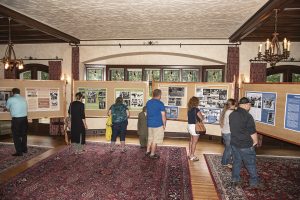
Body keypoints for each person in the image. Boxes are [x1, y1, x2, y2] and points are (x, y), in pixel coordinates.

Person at [229, 97, 263, 189]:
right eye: (249, 104)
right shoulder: (248, 116)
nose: (250, 106)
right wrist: (255, 141)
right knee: (250, 163)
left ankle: (235, 179)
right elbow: (252, 131)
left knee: (236, 161)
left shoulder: (232, 114)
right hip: (245, 144)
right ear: (245, 105)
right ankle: (254, 182)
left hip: (234, 143)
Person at [5, 88, 28, 156]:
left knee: (16, 135)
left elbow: (7, 108)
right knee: (24, 134)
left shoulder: (11, 99)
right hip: (24, 118)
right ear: (19, 92)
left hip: (16, 120)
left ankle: (19, 152)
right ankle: (24, 149)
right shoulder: (23, 98)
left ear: (13, 93)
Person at [146, 89, 166, 159]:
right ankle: (152, 154)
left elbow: (147, 113)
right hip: (157, 124)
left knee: (150, 138)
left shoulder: (148, 102)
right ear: (159, 95)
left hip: (149, 123)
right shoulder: (160, 104)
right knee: (155, 139)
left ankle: (147, 151)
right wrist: (164, 124)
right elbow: (163, 115)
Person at [219, 98, 236, 168]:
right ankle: (225, 162)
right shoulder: (230, 112)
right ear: (231, 105)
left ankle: (226, 162)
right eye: (235, 104)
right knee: (229, 149)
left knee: (228, 148)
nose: (235, 106)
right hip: (228, 133)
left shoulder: (226, 111)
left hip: (225, 132)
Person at [187, 96, 204, 161]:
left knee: (191, 141)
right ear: (196, 102)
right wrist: (202, 116)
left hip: (190, 126)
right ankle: (192, 156)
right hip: (195, 127)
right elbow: (201, 118)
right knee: (194, 142)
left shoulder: (189, 109)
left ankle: (189, 154)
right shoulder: (196, 110)